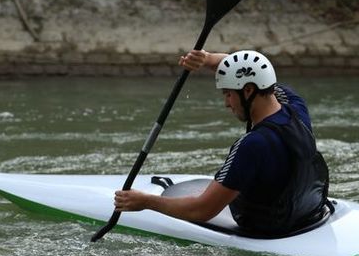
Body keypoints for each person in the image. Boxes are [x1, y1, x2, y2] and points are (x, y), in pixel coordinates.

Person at [114, 49, 330, 238]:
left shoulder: (252, 145)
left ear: (248, 91)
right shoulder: (294, 106)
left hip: (270, 229)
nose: (226, 103)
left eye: (228, 94)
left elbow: (202, 210)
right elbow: (241, 66)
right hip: (308, 216)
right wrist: (207, 59)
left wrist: (145, 202)